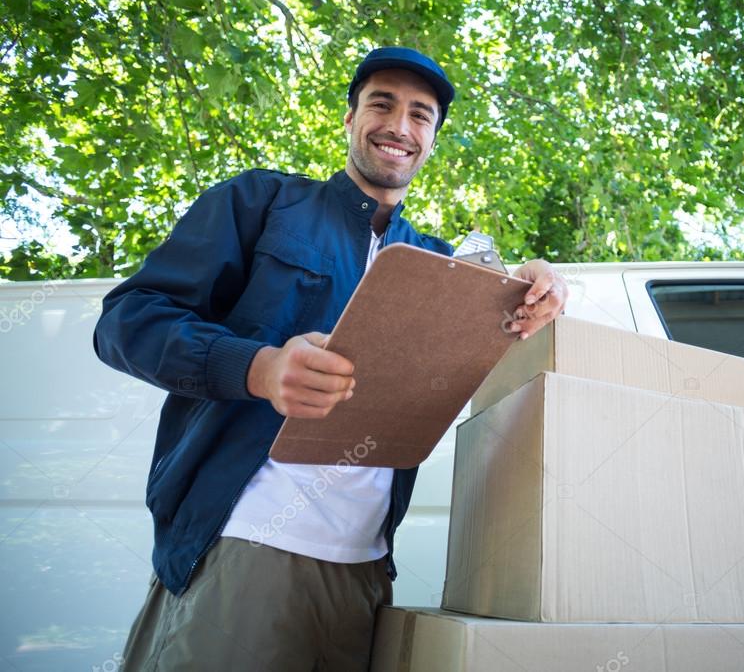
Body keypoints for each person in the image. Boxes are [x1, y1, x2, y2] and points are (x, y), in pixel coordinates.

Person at [93, 46, 568, 671]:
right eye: (381, 104)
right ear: (349, 120)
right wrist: (258, 368)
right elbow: (127, 321)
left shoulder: (439, 260)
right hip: (249, 543)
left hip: (365, 571)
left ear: (431, 141)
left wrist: (540, 292)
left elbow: (492, 362)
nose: (399, 126)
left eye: (420, 115)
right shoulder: (260, 202)